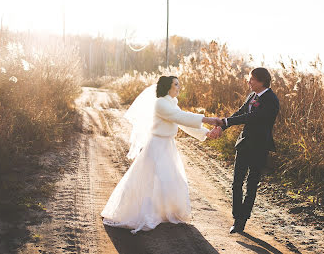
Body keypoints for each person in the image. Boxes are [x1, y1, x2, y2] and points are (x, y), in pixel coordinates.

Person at [100, 76, 222, 234]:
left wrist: (206, 132)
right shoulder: (160, 103)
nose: (179, 87)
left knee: (171, 179)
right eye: (176, 85)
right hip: (157, 146)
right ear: (167, 87)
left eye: (179, 84)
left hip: (167, 145)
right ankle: (146, 213)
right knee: (154, 180)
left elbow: (182, 121)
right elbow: (180, 117)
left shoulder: (172, 102)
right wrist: (208, 119)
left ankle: (165, 212)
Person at [212, 67, 280, 233]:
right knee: (236, 182)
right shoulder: (252, 96)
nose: (249, 82)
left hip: (259, 147)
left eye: (252, 79)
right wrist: (222, 126)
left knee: (251, 185)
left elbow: (252, 118)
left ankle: (243, 219)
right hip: (244, 144)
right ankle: (237, 217)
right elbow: (241, 112)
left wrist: (227, 122)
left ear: (262, 81)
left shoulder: (271, 100)